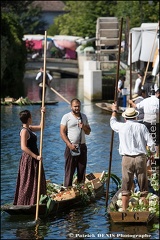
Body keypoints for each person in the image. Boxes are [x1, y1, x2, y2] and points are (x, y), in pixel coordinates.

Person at [110, 105, 156, 211]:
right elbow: (152, 144)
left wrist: (114, 111)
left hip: (127, 159)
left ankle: (124, 212)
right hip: (140, 158)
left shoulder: (121, 126)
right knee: (143, 186)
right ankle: (145, 211)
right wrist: (152, 154)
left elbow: (112, 123)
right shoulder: (142, 127)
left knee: (125, 186)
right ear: (135, 117)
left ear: (125, 118)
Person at [13, 108, 46, 205]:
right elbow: (23, 147)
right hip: (29, 159)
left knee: (37, 179)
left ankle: (36, 201)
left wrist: (42, 114)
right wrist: (36, 157)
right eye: (31, 116)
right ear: (29, 119)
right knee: (29, 181)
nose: (32, 118)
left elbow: (41, 127)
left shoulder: (29, 128)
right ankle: (26, 202)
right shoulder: (24, 131)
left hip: (35, 158)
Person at [60, 98, 91, 187]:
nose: (77, 108)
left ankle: (80, 189)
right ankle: (67, 189)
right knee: (69, 171)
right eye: (75, 106)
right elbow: (62, 132)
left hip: (82, 147)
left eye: (78, 106)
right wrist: (69, 145)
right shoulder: (66, 117)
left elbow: (88, 132)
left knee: (81, 170)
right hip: (72, 147)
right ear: (71, 107)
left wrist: (83, 127)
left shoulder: (84, 116)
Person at [129, 88, 160, 157]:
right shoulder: (158, 101)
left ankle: (148, 156)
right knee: (156, 141)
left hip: (146, 122)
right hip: (156, 122)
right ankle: (156, 156)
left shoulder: (145, 100)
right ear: (155, 94)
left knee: (146, 139)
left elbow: (136, 106)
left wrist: (131, 102)